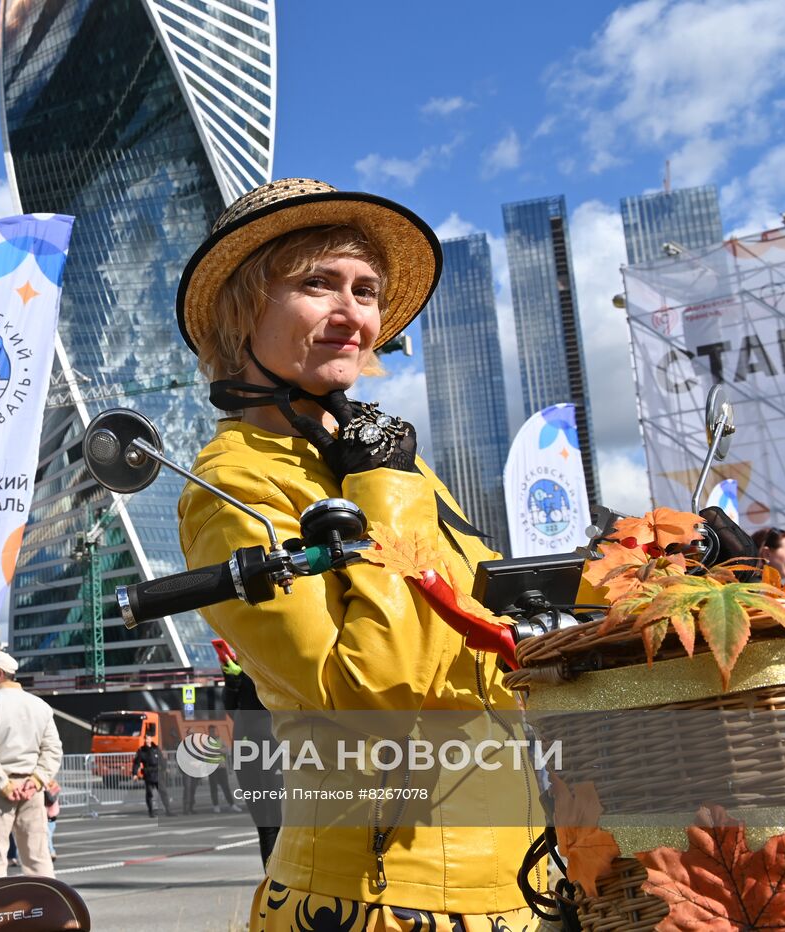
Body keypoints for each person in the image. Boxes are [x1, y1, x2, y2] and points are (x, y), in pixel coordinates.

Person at [175, 178, 540, 930]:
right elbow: (372, 702)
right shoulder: (235, 483)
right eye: (317, 284)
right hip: (375, 899)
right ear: (241, 308)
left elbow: (489, 620)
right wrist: (384, 488)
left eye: (367, 291)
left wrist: (627, 587)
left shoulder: (381, 464)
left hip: (516, 882)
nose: (353, 314)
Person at [0, 649, 62, 878]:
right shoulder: (40, 706)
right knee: (37, 857)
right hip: (31, 788)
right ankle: (48, 907)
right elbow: (53, 750)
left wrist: (3, 784)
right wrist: (36, 781)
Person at [222, 651, 283, 868]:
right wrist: (232, 683)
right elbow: (230, 708)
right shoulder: (241, 661)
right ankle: (270, 880)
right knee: (264, 822)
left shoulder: (274, 658)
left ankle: (284, 879)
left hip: (272, 743)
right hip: (245, 745)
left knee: (279, 818)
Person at [131, 733, 175, 817]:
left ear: (151, 739)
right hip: (149, 774)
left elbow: (162, 759)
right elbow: (136, 763)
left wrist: (165, 768)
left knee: (163, 792)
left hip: (158, 774)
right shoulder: (141, 750)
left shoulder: (156, 748)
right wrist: (134, 773)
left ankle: (168, 810)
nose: (147, 740)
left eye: (148, 738)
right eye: (146, 739)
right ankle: (151, 812)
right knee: (149, 794)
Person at [205, 725, 239, 813]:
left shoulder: (220, 740)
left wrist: (216, 750)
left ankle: (232, 804)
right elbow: (207, 751)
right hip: (211, 768)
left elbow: (226, 750)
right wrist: (219, 750)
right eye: (211, 731)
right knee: (214, 788)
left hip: (221, 767)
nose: (213, 732)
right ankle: (216, 806)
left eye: (214, 731)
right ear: (209, 731)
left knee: (226, 787)